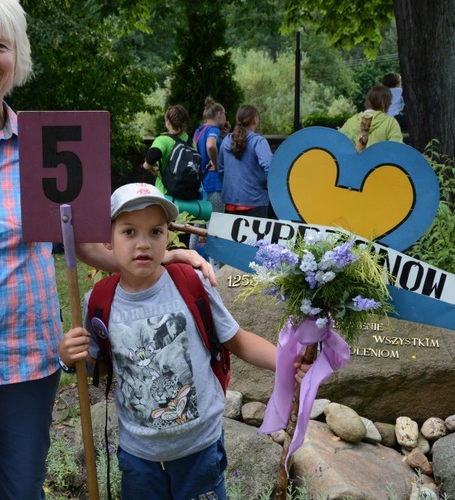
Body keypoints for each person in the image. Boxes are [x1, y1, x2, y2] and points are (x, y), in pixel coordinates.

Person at [0, 1, 215, 498]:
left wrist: (164, 257)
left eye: (0, 45)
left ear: (17, 59)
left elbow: (87, 240)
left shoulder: (44, 147)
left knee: (23, 492)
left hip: (26, 364)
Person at [58, 182, 310, 499]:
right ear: (108, 240)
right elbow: (101, 368)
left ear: (168, 235)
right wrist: (69, 359)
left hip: (200, 451)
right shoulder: (98, 301)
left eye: (155, 231)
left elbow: (238, 340)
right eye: (129, 232)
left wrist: (288, 360)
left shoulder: (191, 283)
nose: (143, 244)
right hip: (139, 458)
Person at [219, 104, 273, 219]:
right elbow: (270, 166)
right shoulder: (258, 141)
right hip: (255, 202)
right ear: (255, 119)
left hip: (230, 202)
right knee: (257, 238)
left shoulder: (226, 141)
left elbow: (221, 170)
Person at [191, 97, 226, 264]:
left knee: (197, 224)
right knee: (216, 224)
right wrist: (217, 164)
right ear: (219, 114)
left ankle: (189, 258)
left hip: (200, 183)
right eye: (224, 115)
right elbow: (211, 145)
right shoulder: (213, 130)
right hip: (214, 183)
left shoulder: (198, 131)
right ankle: (215, 264)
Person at [142, 104, 193, 196]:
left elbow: (151, 158)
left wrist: (148, 166)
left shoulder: (163, 140)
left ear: (168, 122)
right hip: (188, 197)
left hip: (166, 196)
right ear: (185, 123)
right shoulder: (191, 142)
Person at [339, 86, 403, 148]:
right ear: (385, 103)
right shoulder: (390, 122)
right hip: (381, 159)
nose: (391, 103)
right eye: (389, 101)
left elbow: (338, 142)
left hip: (353, 159)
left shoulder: (351, 121)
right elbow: (397, 149)